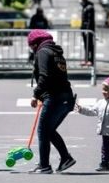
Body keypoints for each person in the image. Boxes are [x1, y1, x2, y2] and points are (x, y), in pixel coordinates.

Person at [27, 29, 77, 174]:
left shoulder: (43, 52)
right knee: (49, 130)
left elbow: (44, 76)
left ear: (36, 44)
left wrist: (35, 95)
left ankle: (45, 166)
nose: (31, 49)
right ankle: (64, 158)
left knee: (43, 131)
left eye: (31, 46)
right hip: (66, 98)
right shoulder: (57, 53)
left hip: (54, 97)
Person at [79, 0, 96, 67]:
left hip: (88, 30)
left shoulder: (89, 7)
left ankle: (90, 60)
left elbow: (89, 20)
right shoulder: (85, 6)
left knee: (89, 46)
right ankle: (86, 59)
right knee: (86, 46)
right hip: (84, 29)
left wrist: (87, 29)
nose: (79, 1)